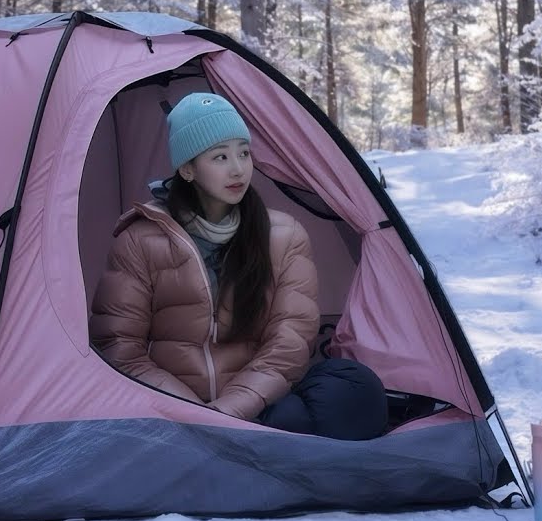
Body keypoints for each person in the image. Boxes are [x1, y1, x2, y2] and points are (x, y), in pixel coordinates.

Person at [90, 92, 388, 441]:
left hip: (256, 405)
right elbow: (121, 349)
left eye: (243, 153)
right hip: (170, 410)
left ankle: (230, 451)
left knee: (354, 387)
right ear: (188, 169)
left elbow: (288, 345)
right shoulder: (140, 240)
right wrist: (194, 416)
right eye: (220, 157)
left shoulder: (283, 235)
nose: (238, 169)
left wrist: (228, 413)